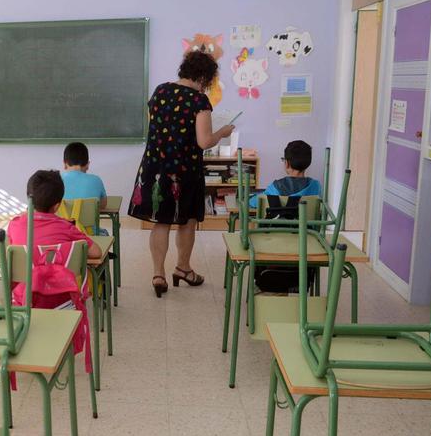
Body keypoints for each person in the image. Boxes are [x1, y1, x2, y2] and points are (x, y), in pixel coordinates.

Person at [127, 51, 235, 298]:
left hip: (154, 167)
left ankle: (158, 274)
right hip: (184, 169)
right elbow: (205, 141)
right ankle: (183, 268)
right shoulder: (199, 100)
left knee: (161, 220)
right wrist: (223, 132)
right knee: (187, 220)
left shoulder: (160, 91)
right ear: (204, 76)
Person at [8, 170, 102, 260]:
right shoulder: (66, 227)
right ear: (57, 206)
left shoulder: (14, 225)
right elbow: (96, 252)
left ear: (29, 198)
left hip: (24, 276)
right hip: (59, 276)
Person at [249, 140, 321, 208]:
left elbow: (254, 202)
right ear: (308, 164)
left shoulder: (276, 187)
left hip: (279, 220)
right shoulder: (316, 186)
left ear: (287, 163)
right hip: (305, 221)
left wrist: (252, 196)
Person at [61, 141, 108, 235]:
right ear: (87, 164)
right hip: (90, 235)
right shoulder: (96, 180)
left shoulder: (54, 181)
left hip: (62, 234)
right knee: (104, 233)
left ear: (64, 163)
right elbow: (103, 205)